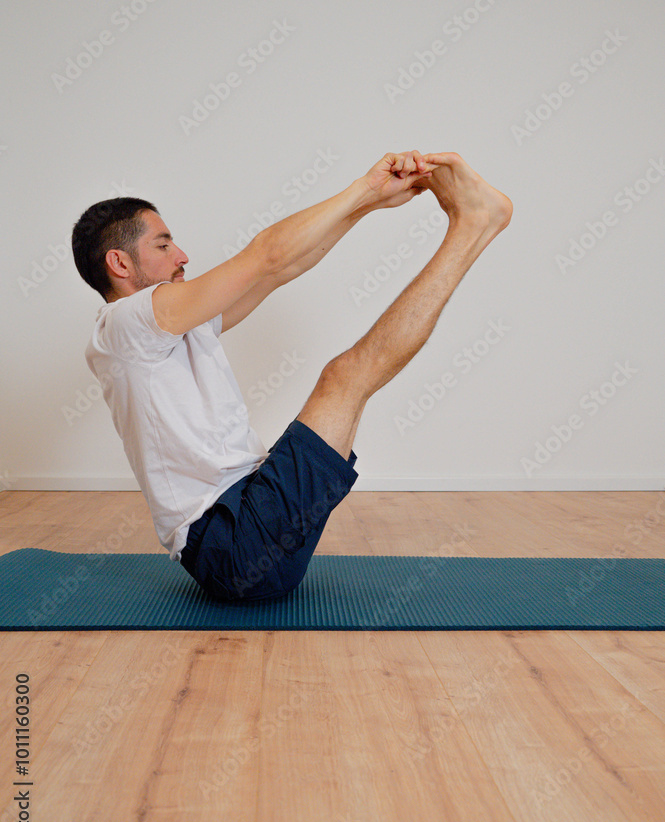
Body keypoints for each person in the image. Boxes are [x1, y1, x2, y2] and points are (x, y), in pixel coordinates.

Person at [73, 151, 512, 602]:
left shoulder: (167, 326)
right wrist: (362, 186)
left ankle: (473, 224)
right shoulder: (124, 324)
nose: (182, 255)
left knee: (347, 379)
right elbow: (266, 255)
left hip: (243, 522)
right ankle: (473, 226)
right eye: (163, 246)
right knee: (345, 378)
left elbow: (283, 268)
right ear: (120, 264)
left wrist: (372, 203)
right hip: (233, 547)